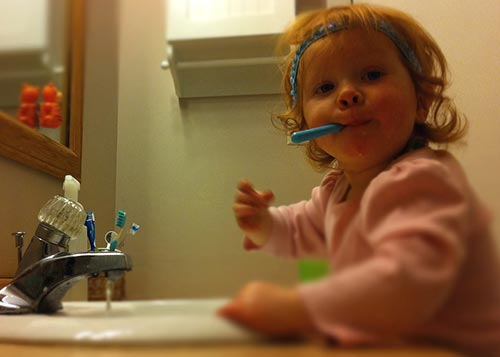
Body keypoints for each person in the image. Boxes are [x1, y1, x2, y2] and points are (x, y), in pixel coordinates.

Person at [217, 3, 500, 355]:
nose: (348, 94)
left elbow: (405, 284)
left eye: (371, 75)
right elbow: (299, 229)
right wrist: (261, 223)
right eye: (324, 87)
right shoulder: (337, 191)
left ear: (422, 100)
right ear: (307, 125)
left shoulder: (423, 181)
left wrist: (297, 308)